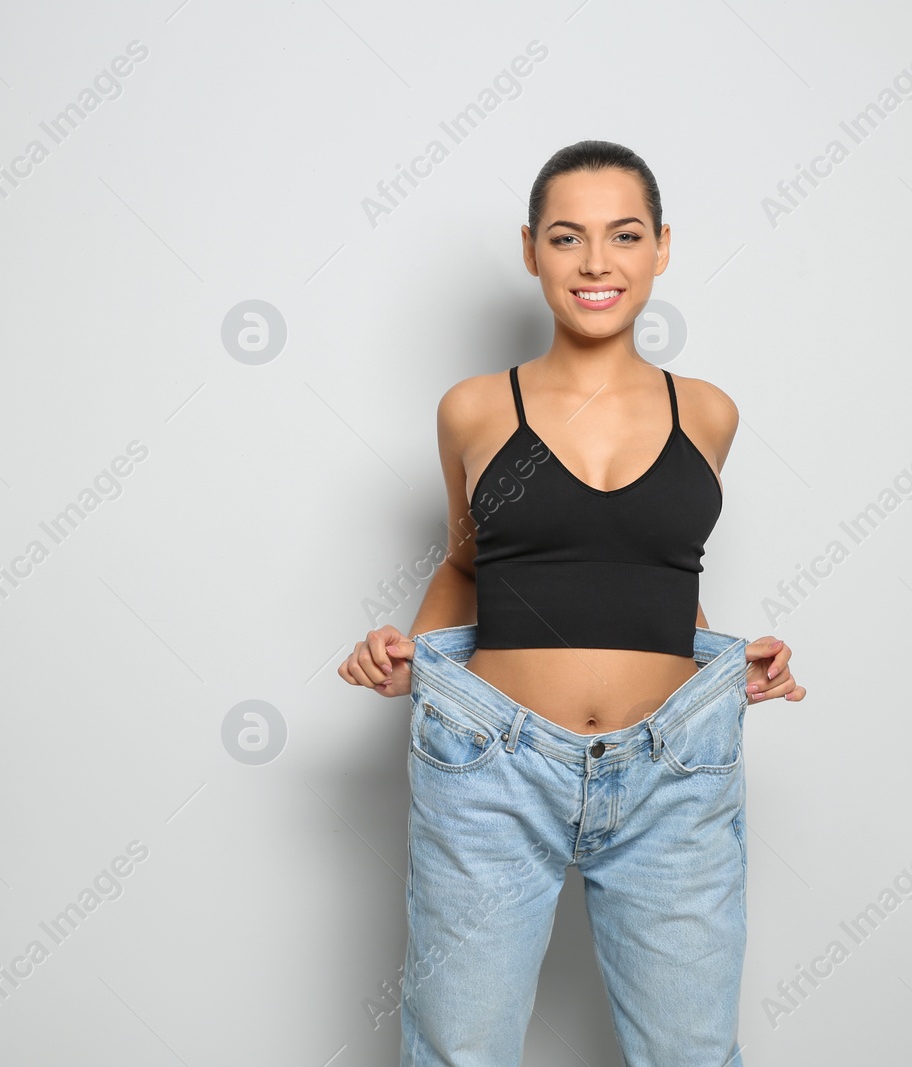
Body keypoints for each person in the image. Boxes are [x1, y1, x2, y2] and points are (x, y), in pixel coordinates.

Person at [339, 139, 806, 1067]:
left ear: (662, 247)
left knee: (694, 1055)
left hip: (676, 768)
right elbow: (468, 565)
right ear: (531, 251)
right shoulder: (474, 408)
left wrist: (721, 660)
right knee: (459, 1051)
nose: (597, 263)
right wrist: (410, 660)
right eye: (568, 238)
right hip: (491, 766)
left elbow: (657, 571)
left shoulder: (708, 412)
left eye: (624, 235)